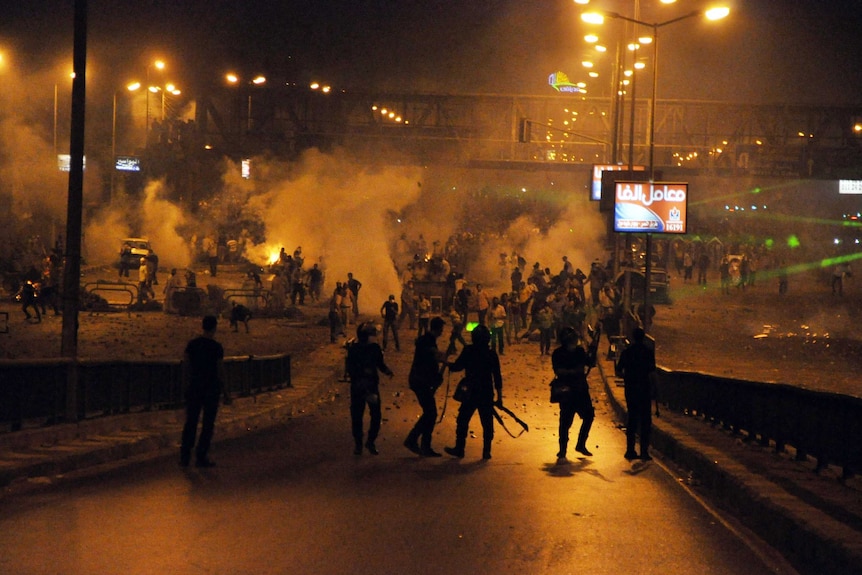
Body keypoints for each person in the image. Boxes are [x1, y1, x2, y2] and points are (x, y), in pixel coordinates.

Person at [444, 324, 503, 460]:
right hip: (486, 392)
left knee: (463, 420)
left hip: (470, 392)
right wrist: (499, 398)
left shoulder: (469, 351)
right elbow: (497, 377)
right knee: (487, 423)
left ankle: (460, 448)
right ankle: (486, 451)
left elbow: (458, 366)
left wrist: (447, 364)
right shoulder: (491, 354)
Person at [180, 315, 230, 468]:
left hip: (195, 387)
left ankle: (185, 456)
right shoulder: (216, 347)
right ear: (215, 328)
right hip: (211, 389)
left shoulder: (192, 345)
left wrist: (184, 386)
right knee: (208, 424)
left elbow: (186, 366)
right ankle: (201, 456)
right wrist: (226, 391)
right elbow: (220, 370)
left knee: (191, 422)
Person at [345, 322, 394, 455]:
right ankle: (359, 444)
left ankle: (370, 441)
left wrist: (387, 371)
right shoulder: (355, 349)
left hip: (370, 386)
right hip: (359, 387)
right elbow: (351, 369)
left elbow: (379, 363)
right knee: (357, 416)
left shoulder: (374, 348)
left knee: (376, 416)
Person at [551, 326, 596, 463]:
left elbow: (590, 363)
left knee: (589, 416)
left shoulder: (580, 352)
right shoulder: (558, 353)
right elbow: (559, 371)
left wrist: (592, 351)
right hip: (567, 392)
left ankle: (581, 443)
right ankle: (563, 450)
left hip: (581, 391)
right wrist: (574, 372)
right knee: (565, 422)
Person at [404, 316, 447, 457]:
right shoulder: (427, 341)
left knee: (430, 413)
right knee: (431, 413)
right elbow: (433, 356)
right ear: (438, 328)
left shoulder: (428, 340)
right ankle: (416, 441)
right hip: (420, 381)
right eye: (441, 329)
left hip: (422, 381)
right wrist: (443, 357)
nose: (442, 332)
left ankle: (420, 443)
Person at [615, 327, 658, 461]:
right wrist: (656, 390)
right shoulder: (648, 352)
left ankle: (630, 450)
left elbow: (618, 370)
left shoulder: (627, 352)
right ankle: (644, 452)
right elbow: (652, 373)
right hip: (644, 389)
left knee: (632, 419)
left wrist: (627, 376)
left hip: (631, 389)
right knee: (645, 421)